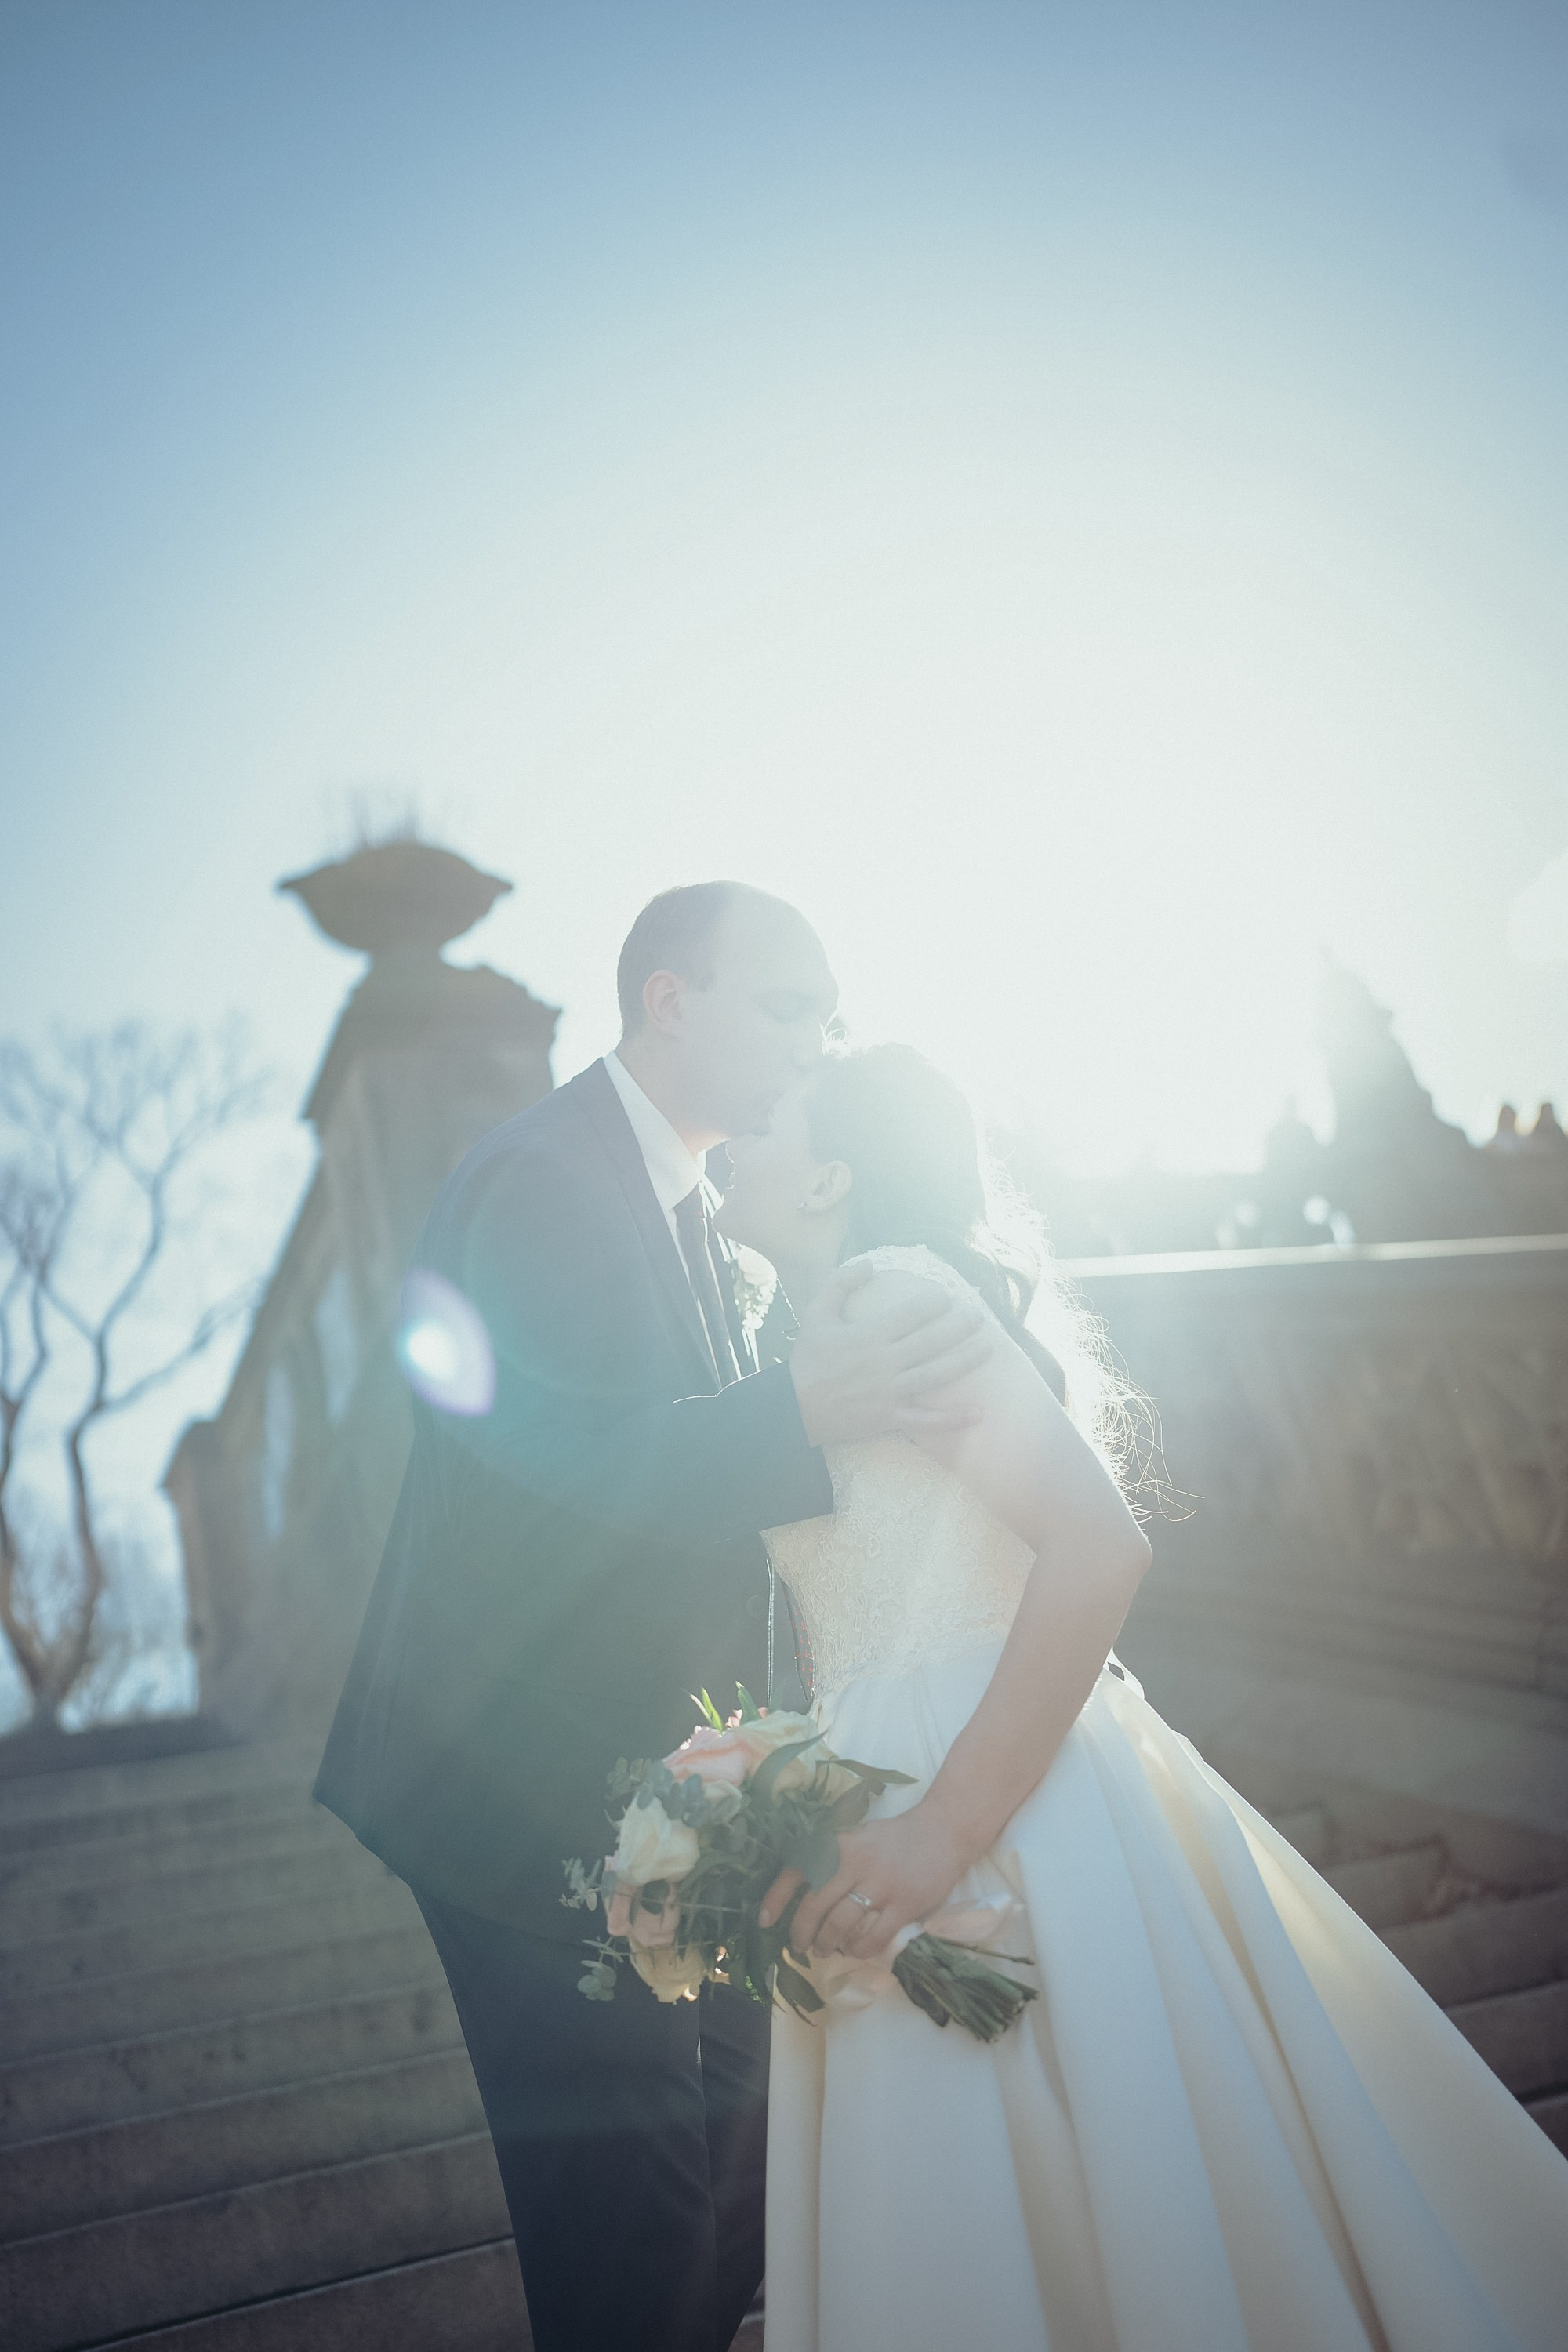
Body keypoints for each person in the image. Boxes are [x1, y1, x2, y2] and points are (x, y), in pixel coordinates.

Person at [717, 1043, 1568, 2352]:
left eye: (762, 1115)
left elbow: (1100, 1544)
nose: (729, 1133)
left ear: (834, 1170)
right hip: (886, 1782)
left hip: (985, 1794)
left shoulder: (892, 1293)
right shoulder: (822, 1327)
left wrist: (942, 1831)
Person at [314, 886, 993, 2352]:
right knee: (635, 2244)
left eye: (830, 1014)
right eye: (789, 1005)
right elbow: (538, 1476)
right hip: (514, 1800)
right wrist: (796, 1415)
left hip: (673, 1806)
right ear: (670, 1003)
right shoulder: (541, 1177)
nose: (819, 1040)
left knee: (753, 2177)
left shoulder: (702, 1216)